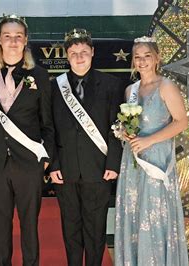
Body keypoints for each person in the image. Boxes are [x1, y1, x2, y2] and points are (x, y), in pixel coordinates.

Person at [0, 14, 54, 266]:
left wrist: (45, 160)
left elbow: (48, 124)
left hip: (29, 164)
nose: (13, 41)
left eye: (18, 36)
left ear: (26, 41)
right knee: (0, 226)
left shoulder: (40, 76)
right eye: (8, 36)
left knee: (29, 226)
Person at [49, 28, 124, 266]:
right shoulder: (54, 87)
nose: (79, 57)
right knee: (70, 227)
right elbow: (48, 129)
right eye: (73, 53)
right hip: (66, 170)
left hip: (99, 168)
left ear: (92, 52)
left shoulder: (111, 85)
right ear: (66, 56)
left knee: (95, 229)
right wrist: (53, 165)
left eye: (83, 52)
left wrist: (113, 163)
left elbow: (117, 127)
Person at [114, 36, 189, 265]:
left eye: (147, 56)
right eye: (137, 57)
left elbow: (181, 122)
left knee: (154, 215)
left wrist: (149, 141)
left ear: (157, 58)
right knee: (135, 212)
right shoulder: (131, 91)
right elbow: (132, 124)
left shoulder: (167, 86)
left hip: (156, 160)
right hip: (133, 161)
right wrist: (125, 133)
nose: (142, 61)